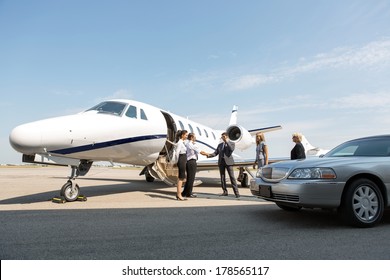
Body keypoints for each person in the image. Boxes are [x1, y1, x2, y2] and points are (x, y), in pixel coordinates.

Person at [202, 132, 240, 198]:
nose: (223, 138)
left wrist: (226, 141)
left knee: (232, 177)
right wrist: (208, 154)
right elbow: (215, 153)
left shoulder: (232, 143)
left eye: (224, 137)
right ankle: (225, 192)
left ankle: (236, 193)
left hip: (229, 162)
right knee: (222, 178)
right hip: (221, 163)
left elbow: (231, 149)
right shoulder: (220, 145)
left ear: (227, 137)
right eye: (222, 137)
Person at [182, 133, 205, 198]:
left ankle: (184, 193)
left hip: (188, 162)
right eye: (194, 137)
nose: (195, 138)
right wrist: (209, 155)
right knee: (191, 179)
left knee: (189, 178)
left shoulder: (186, 143)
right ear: (192, 137)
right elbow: (201, 152)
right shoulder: (191, 144)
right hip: (191, 162)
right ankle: (189, 193)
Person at [175, 130, 188, 200]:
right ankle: (179, 195)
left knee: (183, 178)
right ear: (182, 135)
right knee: (181, 178)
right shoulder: (180, 143)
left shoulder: (183, 142)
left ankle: (179, 194)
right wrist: (177, 162)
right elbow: (177, 153)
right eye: (186, 135)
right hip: (181, 159)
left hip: (183, 159)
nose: (186, 136)